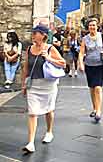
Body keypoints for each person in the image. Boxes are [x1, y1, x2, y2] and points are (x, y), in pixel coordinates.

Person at [21, 24, 66, 153]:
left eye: (36, 33)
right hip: (33, 85)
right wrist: (24, 84)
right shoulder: (29, 48)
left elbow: (62, 63)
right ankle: (30, 142)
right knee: (32, 113)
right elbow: (25, 68)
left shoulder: (50, 48)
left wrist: (48, 58)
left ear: (43, 35)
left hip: (48, 85)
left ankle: (49, 131)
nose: (33, 35)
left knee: (49, 111)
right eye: (33, 33)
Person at [78, 18, 103, 123]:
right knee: (92, 88)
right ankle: (94, 108)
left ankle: (98, 111)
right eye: (90, 25)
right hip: (89, 65)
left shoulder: (102, 36)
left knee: (98, 88)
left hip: (100, 65)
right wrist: (81, 64)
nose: (92, 27)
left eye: (94, 25)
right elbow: (81, 52)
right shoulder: (85, 39)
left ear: (97, 26)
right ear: (88, 27)